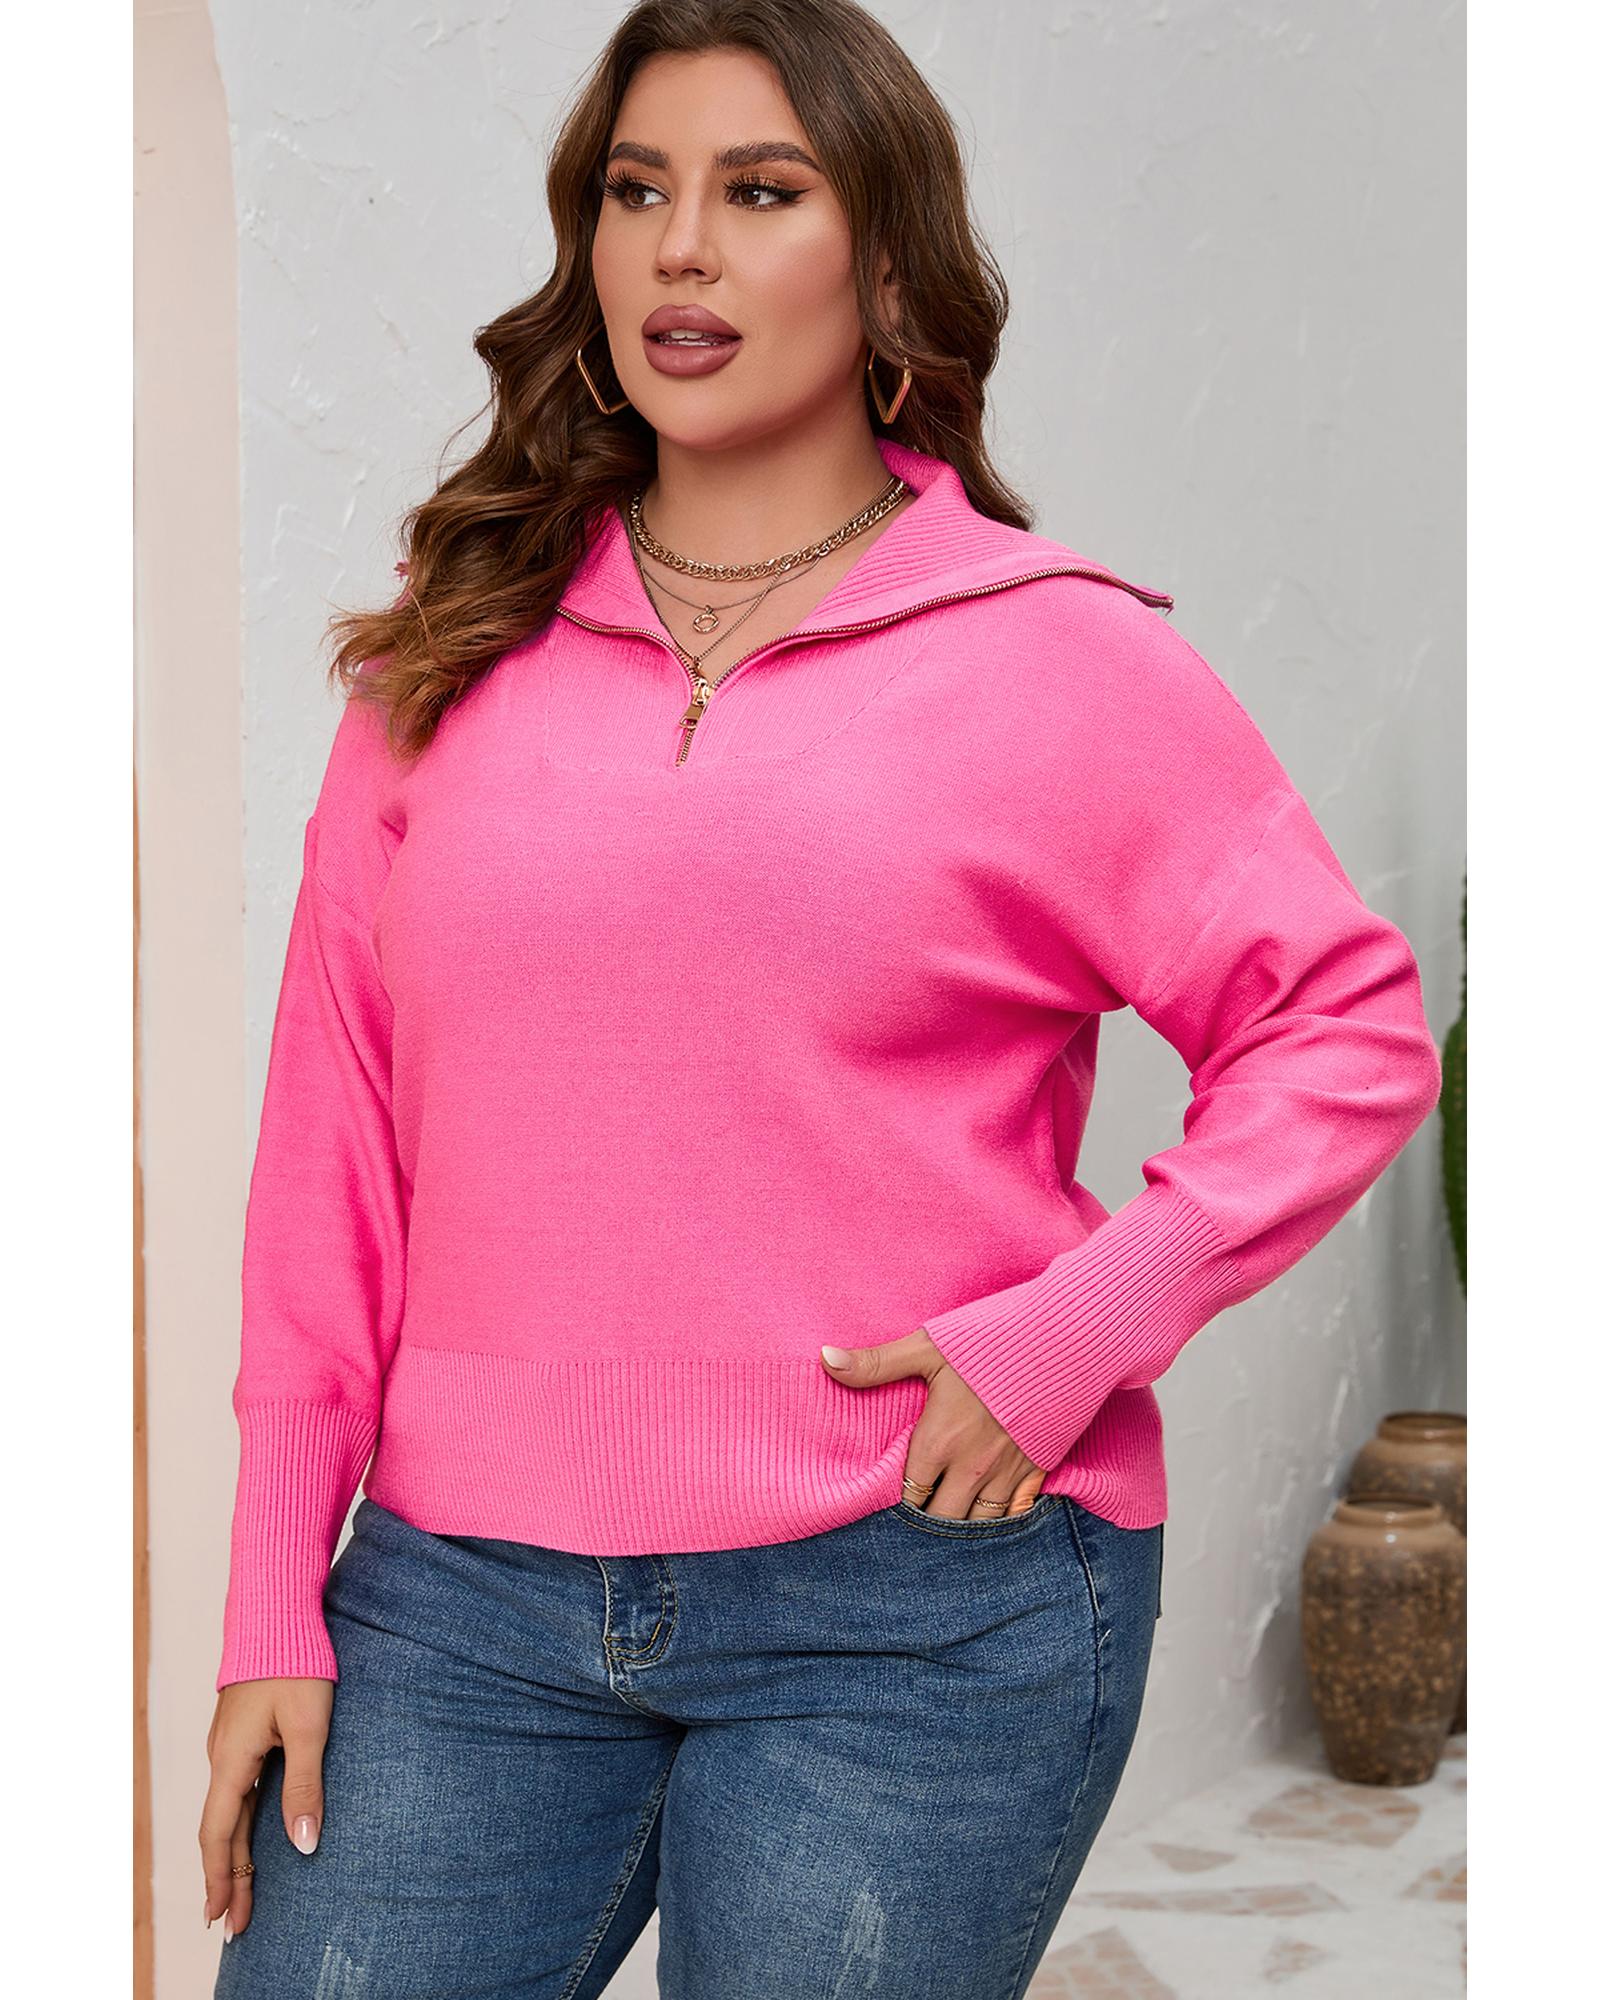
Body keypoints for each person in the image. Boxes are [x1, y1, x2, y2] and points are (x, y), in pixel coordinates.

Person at [199, 3, 1443, 1994]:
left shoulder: (1053, 658)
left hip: (914, 1600)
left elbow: (1343, 1025)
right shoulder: (451, 653)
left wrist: (1070, 1330)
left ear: (882, 266)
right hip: (459, 1600)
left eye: (759, 192)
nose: (680, 247)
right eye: (636, 192)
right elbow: (329, 1136)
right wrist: (276, 1587)